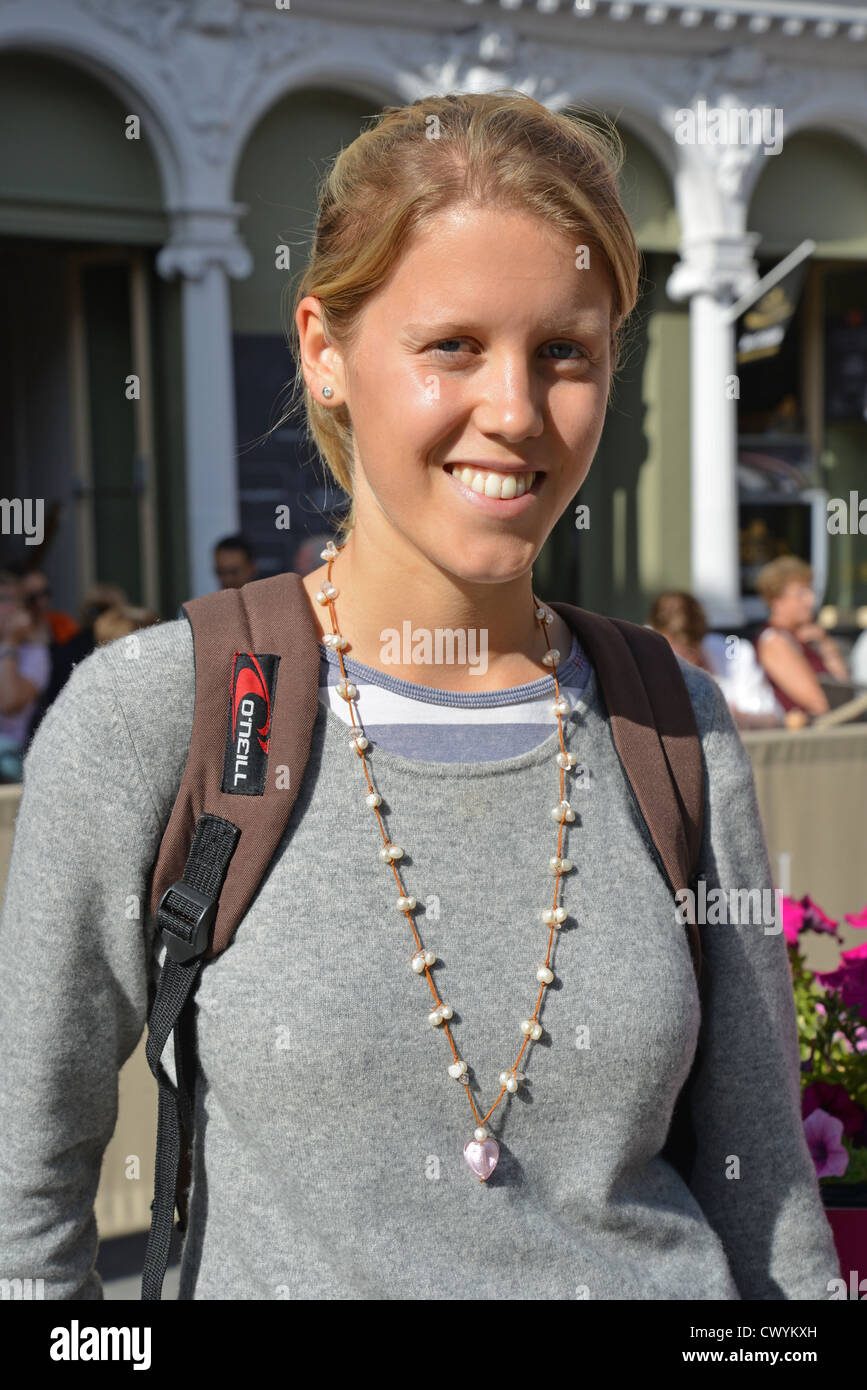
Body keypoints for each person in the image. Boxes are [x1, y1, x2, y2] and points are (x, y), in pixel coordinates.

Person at [0, 91, 839, 1301]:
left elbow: (768, 1213)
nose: (513, 410)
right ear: (324, 353)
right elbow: (27, 1219)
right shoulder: (161, 716)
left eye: (566, 352)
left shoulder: (675, 724)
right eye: (452, 345)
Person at [647, 591, 787, 730]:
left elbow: (773, 716)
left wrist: (736, 717)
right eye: (675, 651)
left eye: (691, 650)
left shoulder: (735, 652)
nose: (685, 660)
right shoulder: (640, 658)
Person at [755, 556, 850, 719]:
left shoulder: (808, 637)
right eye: (801, 594)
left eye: (810, 591)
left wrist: (825, 645)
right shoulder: (774, 641)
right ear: (777, 601)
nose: (811, 600)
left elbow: (844, 688)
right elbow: (820, 703)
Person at [0, 568, 51, 781]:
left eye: (14, 600)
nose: (9, 608)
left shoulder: (35, 655)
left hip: (8, 755)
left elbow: (9, 702)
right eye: (3, 600)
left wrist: (11, 641)